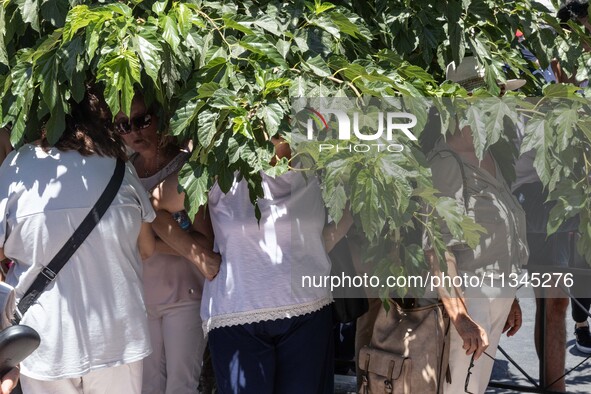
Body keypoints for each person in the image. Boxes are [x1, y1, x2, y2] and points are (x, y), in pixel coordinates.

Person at [0, 83, 156, 393]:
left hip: (43, 341)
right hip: (119, 338)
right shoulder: (119, 167)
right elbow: (147, 248)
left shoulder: (16, 168)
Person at [199, 135, 352, 393]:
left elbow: (353, 203)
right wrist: (197, 255)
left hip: (307, 311)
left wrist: (321, 243)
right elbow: (154, 201)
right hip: (237, 315)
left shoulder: (315, 163)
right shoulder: (221, 166)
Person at [423, 57, 528, 394]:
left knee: (475, 389)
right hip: (470, 300)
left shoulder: (490, 157)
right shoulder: (446, 164)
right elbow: (439, 250)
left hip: (494, 295)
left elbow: (499, 232)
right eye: (494, 96)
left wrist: (509, 298)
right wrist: (460, 316)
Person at [116, 93, 220, 394]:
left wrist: (145, 241)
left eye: (141, 121)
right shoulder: (124, 172)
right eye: (123, 125)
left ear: (159, 118)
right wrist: (160, 238)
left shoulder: (186, 169)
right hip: (141, 300)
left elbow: (204, 240)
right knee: (146, 386)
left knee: (181, 385)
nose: (133, 132)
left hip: (185, 296)